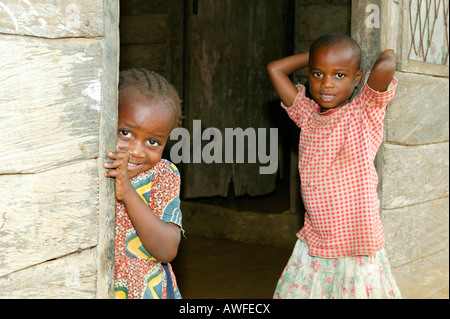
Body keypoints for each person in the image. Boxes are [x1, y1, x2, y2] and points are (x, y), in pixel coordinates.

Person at [267, 33, 401, 299]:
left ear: (358, 77)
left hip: (356, 241)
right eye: (317, 74)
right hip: (318, 238)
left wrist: (386, 51)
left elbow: (386, 63)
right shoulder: (307, 115)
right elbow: (275, 69)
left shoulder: (364, 111)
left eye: (339, 75)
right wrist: (317, 55)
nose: (326, 84)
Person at [103, 69, 184, 299]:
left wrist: (128, 193)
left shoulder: (163, 175)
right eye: (125, 132)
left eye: (153, 141)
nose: (137, 152)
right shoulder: (91, 168)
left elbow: (167, 250)